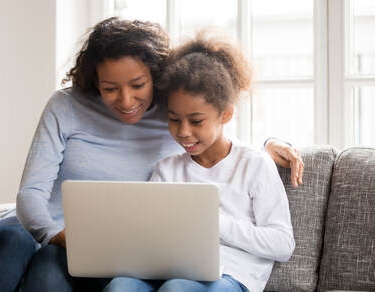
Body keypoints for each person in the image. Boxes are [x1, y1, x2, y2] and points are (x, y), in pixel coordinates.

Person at [0, 17, 302, 292]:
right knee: (14, 242)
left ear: (156, 76)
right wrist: (61, 237)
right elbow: (31, 194)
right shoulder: (66, 106)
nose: (125, 101)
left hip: (113, 251)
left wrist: (268, 145)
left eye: (138, 85)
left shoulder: (171, 113)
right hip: (50, 234)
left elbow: (211, 131)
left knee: (51, 269)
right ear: (95, 81)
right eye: (110, 88)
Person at [103, 33, 295, 292]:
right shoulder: (167, 170)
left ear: (225, 115)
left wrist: (215, 223)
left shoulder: (255, 164)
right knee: (120, 286)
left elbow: (282, 244)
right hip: (170, 268)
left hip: (231, 275)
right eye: (173, 119)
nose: (183, 132)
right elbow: (149, 233)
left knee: (177, 289)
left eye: (196, 121)